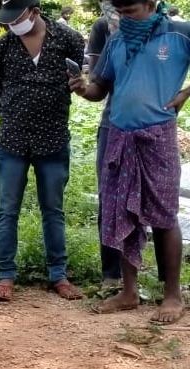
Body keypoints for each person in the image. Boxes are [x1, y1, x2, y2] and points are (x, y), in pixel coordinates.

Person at [70, 0, 190, 323]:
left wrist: (185, 93)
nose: (124, 17)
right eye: (120, 11)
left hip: (158, 137)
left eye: (130, 11)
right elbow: (100, 88)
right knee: (120, 210)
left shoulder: (179, 34)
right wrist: (83, 88)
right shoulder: (117, 40)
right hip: (120, 135)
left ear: (151, 4)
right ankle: (128, 291)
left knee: (164, 213)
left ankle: (173, 295)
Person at [0, 0, 86, 302]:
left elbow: (79, 77)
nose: (12, 25)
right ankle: (6, 274)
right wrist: (14, 114)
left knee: (53, 210)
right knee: (7, 210)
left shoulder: (69, 39)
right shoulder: (1, 48)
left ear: (34, 11)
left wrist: (79, 84)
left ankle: (58, 274)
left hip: (53, 140)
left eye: (17, 18)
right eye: (8, 21)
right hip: (12, 141)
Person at [88, 2, 123, 290]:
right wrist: (83, 87)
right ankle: (112, 275)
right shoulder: (105, 29)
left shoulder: (168, 32)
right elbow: (98, 84)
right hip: (113, 123)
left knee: (154, 205)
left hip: (153, 129)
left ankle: (167, 283)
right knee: (109, 200)